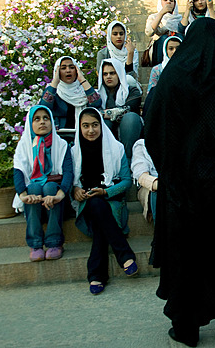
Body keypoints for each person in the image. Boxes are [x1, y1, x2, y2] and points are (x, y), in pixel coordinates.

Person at [144, 18, 215, 346]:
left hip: (186, 185)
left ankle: (187, 327)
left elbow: (153, 127)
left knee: (187, 254)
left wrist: (171, 167)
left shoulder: (174, 77)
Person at [71, 108, 138, 295]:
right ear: (79, 127)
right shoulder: (73, 151)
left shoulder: (116, 149)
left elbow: (126, 181)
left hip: (112, 200)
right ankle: (124, 254)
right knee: (95, 204)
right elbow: (70, 181)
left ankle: (96, 274)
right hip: (87, 202)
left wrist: (106, 191)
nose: (90, 130)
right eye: (85, 126)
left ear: (101, 125)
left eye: (95, 125)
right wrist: (75, 189)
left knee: (99, 206)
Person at [13, 105, 73, 261]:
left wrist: (60, 194)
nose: (42, 122)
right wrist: (23, 195)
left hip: (58, 197)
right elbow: (18, 171)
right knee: (33, 186)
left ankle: (54, 242)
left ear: (52, 122)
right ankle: (36, 244)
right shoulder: (24, 145)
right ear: (30, 124)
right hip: (34, 197)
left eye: (46, 118)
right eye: (37, 119)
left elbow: (68, 172)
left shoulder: (62, 145)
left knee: (50, 186)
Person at [97, 58, 143, 162]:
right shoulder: (100, 95)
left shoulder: (132, 90)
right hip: (109, 131)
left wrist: (104, 113)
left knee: (130, 118)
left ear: (119, 74)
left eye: (112, 73)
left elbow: (127, 110)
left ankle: (127, 160)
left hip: (130, 130)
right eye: (105, 74)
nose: (108, 76)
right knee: (103, 122)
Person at [39, 56, 101, 132]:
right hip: (60, 135)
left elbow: (96, 103)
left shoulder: (84, 89)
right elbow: (43, 108)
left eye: (71, 67)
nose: (68, 70)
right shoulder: (53, 90)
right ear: (57, 71)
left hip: (84, 134)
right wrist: (55, 82)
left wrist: (82, 80)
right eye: (63, 68)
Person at [145, 0, 183, 67]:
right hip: (158, 49)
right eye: (165, 0)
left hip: (175, 48)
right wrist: (161, 13)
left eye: (171, 0)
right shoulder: (153, 17)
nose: (168, 2)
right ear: (160, 2)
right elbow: (149, 32)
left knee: (179, 37)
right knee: (164, 38)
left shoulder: (180, 18)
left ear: (175, 4)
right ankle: (161, 70)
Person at [131, 138, 158, 223]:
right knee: (158, 193)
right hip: (151, 186)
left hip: (180, 184)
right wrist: (158, 184)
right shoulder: (142, 144)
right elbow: (141, 175)